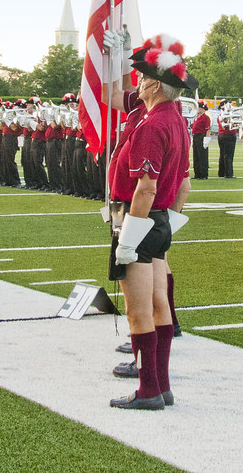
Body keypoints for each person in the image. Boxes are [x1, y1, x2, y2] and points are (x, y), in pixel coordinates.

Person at [102, 30, 194, 411]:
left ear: (156, 84)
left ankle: (149, 390)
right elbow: (184, 183)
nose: (137, 83)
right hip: (157, 222)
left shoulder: (153, 124)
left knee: (139, 310)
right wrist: (166, 223)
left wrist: (128, 237)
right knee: (159, 305)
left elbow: (145, 188)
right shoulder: (175, 119)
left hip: (139, 219)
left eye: (142, 77)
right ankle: (162, 387)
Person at [215, 100, 237, 178]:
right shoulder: (228, 115)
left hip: (221, 135)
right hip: (229, 135)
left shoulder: (220, 115)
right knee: (229, 155)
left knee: (222, 154)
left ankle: (221, 172)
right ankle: (228, 173)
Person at [191, 101, 211, 179]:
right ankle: (197, 173)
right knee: (196, 156)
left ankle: (204, 174)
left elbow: (208, 129)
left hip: (201, 136)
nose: (198, 109)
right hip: (196, 136)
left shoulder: (206, 117)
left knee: (202, 156)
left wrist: (206, 139)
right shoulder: (196, 117)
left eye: (199, 108)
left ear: (203, 109)